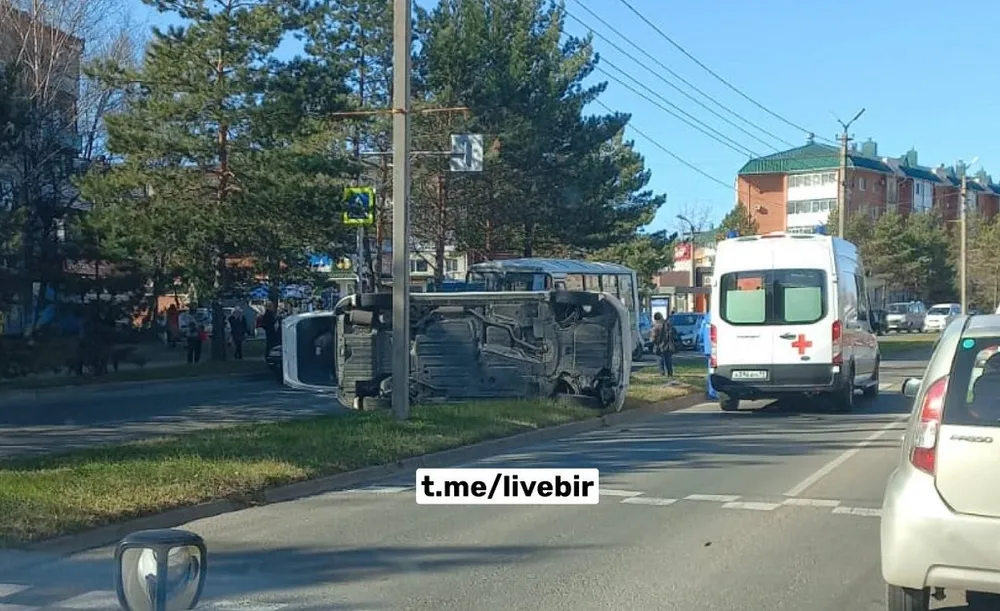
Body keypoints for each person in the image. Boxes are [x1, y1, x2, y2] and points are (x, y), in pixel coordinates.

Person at [651, 312, 676, 377]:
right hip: (668, 345)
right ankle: (670, 373)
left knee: (660, 359)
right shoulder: (667, 324)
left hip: (659, 345)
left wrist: (653, 342)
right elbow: (673, 333)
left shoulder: (656, 326)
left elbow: (653, 337)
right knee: (668, 359)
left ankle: (662, 373)